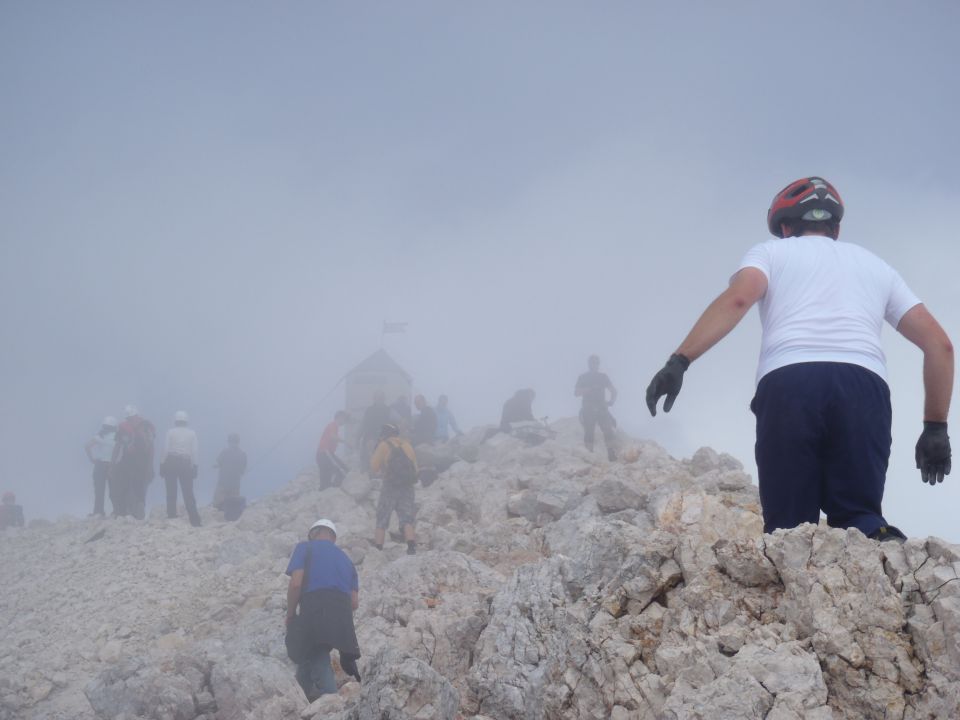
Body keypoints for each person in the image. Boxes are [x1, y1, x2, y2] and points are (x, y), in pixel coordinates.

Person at [646, 177, 953, 542]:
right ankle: (885, 560)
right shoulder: (876, 266)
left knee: (788, 526)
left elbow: (739, 299)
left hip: (789, 382)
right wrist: (936, 427)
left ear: (786, 226)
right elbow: (940, 346)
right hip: (863, 386)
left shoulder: (770, 254)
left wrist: (680, 361)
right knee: (860, 515)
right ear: (835, 227)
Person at [285, 518, 361, 701]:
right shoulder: (346, 560)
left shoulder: (305, 548)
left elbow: (296, 584)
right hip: (342, 609)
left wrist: (290, 613)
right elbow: (354, 602)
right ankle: (302, 696)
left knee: (316, 650)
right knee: (309, 649)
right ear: (333, 537)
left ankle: (332, 701)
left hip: (315, 603)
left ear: (314, 533)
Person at [369, 424, 418, 555]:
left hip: (390, 486)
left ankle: (378, 549)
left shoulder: (384, 445)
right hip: (407, 486)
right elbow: (415, 469)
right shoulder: (407, 445)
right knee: (406, 518)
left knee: (382, 517)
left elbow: (374, 467)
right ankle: (411, 547)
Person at [111, 405, 156, 519]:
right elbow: (151, 447)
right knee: (137, 486)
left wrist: (112, 464)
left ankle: (130, 511)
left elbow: (118, 446)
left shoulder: (124, 427)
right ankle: (134, 511)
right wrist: (150, 466)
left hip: (132, 461)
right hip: (141, 462)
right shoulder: (147, 427)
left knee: (131, 485)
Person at [159, 410, 201, 527]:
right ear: (186, 421)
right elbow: (195, 451)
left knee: (171, 491)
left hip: (171, 462)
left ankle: (171, 515)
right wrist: (195, 466)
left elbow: (165, 449)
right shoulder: (192, 433)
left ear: (175, 421)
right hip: (185, 464)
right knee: (188, 492)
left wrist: (162, 465)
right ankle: (195, 520)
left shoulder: (170, 432)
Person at [575, 356, 619, 461]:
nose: (594, 365)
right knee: (589, 431)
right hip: (589, 408)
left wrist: (612, 401)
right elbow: (576, 393)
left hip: (600, 407)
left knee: (607, 429)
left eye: (595, 363)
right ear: (589, 364)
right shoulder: (583, 377)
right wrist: (589, 389)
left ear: (598, 364)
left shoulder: (603, 377)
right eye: (592, 363)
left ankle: (611, 452)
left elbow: (613, 390)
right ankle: (589, 453)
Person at [85, 416, 117, 516]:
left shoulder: (99, 436)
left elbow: (87, 446)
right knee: (114, 490)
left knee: (99, 490)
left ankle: (98, 512)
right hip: (113, 466)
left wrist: (92, 459)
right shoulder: (117, 436)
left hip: (100, 465)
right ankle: (117, 511)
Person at [212, 433, 247, 519]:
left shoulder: (225, 452)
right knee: (234, 503)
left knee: (218, 503)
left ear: (229, 442)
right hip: (235, 483)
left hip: (223, 482)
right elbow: (242, 470)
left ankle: (219, 518)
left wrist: (216, 466)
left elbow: (219, 462)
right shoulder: (242, 454)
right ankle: (231, 519)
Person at [358, 391, 392, 469]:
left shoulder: (388, 410)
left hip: (384, 438)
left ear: (384, 399)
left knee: (383, 460)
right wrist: (358, 438)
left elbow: (398, 422)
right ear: (374, 399)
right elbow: (363, 424)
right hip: (370, 438)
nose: (379, 399)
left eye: (381, 397)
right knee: (368, 460)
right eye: (377, 397)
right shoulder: (369, 410)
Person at [316, 411, 350, 488]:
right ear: (340, 417)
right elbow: (332, 436)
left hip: (322, 454)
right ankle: (335, 489)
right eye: (344, 419)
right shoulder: (333, 425)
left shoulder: (333, 426)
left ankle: (326, 492)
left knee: (325, 481)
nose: (345, 421)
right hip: (325, 453)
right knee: (343, 470)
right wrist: (345, 442)